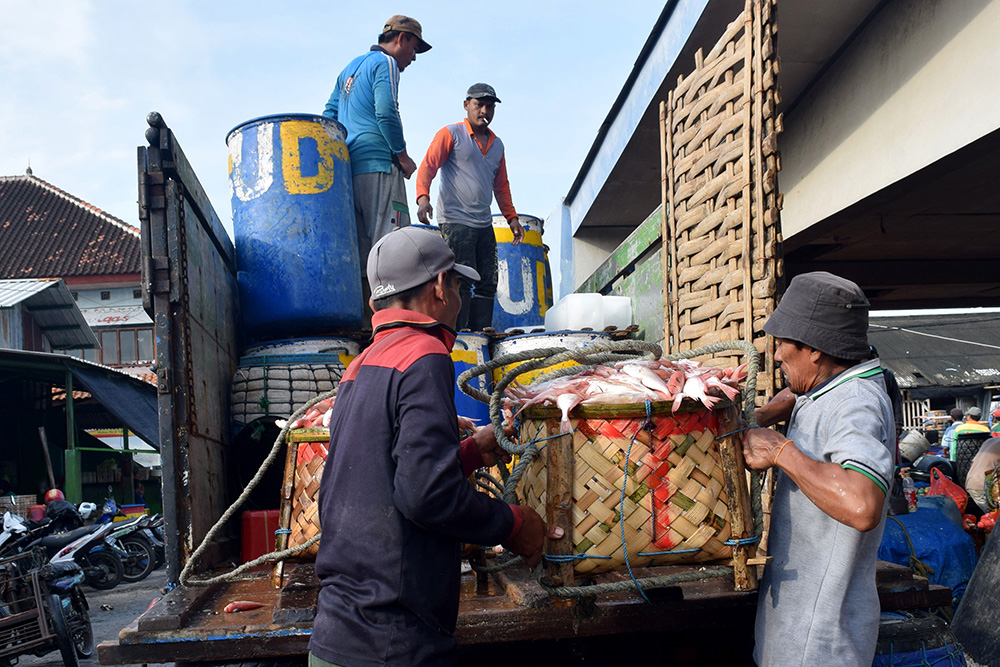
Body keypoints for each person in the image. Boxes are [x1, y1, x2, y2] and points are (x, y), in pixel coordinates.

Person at [309, 226, 559, 667]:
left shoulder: (361, 366)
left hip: (336, 636)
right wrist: (513, 523)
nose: (460, 299)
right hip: (393, 644)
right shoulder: (424, 353)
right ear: (441, 286)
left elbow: (369, 478)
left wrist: (466, 455)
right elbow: (425, 495)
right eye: (459, 284)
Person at [742, 272, 894, 667]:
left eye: (783, 344)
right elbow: (810, 391)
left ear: (814, 350)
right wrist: (774, 408)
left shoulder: (856, 402)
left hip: (820, 639)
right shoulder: (833, 380)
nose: (776, 356)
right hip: (797, 625)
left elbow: (863, 504)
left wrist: (780, 450)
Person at [322, 15, 429, 293]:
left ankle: (368, 323)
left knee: (363, 251)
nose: (414, 58)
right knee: (392, 246)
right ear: (401, 39)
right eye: (415, 49)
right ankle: (392, 324)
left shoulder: (348, 68)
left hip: (349, 170)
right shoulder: (386, 63)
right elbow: (386, 112)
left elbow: (328, 117)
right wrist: (403, 156)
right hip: (380, 165)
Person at [415, 83, 524, 331]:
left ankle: (480, 333)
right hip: (455, 220)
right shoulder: (451, 134)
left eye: (489, 106)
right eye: (478, 105)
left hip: (483, 223)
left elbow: (501, 185)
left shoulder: (498, 145)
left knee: (488, 279)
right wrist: (423, 197)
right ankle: (460, 333)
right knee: (461, 278)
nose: (484, 110)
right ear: (467, 106)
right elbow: (428, 166)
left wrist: (512, 217)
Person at [965, 436, 1000, 512]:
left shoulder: (989, 441)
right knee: (994, 517)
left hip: (971, 482)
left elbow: (972, 463)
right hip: (984, 487)